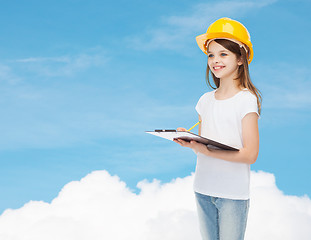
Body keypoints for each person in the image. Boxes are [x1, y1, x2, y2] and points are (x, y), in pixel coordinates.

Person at [174, 17, 262, 240]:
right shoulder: (205, 100)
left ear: (241, 58)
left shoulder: (246, 100)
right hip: (203, 188)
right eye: (211, 55)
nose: (215, 60)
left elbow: (250, 154)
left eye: (223, 54)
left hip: (232, 194)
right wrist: (190, 141)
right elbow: (205, 145)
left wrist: (205, 150)